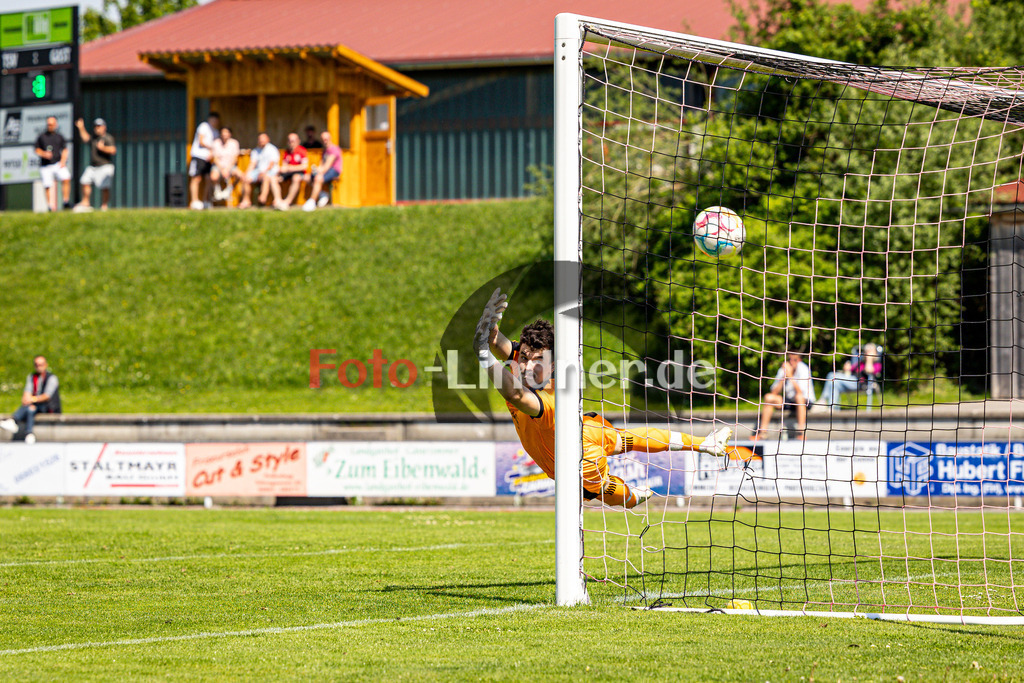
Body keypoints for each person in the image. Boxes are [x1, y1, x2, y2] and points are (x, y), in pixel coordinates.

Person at [474, 288, 733, 508]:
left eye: (539, 361)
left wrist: (483, 353)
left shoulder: (546, 401)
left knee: (603, 487)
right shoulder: (526, 367)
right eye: (526, 357)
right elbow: (503, 346)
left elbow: (516, 393)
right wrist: (489, 327)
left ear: (552, 366)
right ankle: (704, 444)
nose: (529, 366)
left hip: (577, 457)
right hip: (583, 428)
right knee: (626, 439)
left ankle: (633, 495)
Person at [752, 349, 816, 441]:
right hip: (790, 401)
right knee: (769, 398)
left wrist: (790, 376)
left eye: (794, 360)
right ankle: (763, 432)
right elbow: (774, 392)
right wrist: (783, 378)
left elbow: (800, 392)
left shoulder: (803, 369)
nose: (791, 362)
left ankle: (801, 432)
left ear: (799, 360)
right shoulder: (784, 370)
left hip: (804, 401)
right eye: (789, 359)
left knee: (799, 397)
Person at [0, 356, 61, 444]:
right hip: (34, 406)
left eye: (41, 364)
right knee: (30, 409)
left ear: (46, 365)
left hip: (48, 406)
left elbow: (47, 396)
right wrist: (26, 399)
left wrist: (32, 399)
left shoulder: (52, 378)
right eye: (36, 365)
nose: (39, 367)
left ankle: (14, 420)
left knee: (31, 407)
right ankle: (29, 433)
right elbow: (27, 391)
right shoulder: (32, 377)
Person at [818, 343, 882, 409]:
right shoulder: (860, 363)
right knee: (834, 384)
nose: (867, 353)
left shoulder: (877, 364)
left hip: (861, 384)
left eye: (870, 351)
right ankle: (832, 409)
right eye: (866, 351)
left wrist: (869, 359)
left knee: (831, 375)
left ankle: (823, 400)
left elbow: (869, 370)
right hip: (851, 381)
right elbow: (850, 369)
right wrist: (846, 368)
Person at [73, 117, 116, 212]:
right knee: (84, 181)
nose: (97, 128)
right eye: (96, 127)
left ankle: (104, 206)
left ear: (104, 127)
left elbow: (113, 150)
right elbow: (85, 138)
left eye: (99, 126)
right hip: (93, 166)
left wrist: (103, 148)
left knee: (105, 187)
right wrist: (81, 127)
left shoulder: (108, 138)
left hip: (105, 165)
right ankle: (85, 203)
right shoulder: (94, 138)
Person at [34, 116, 71, 212]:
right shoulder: (42, 137)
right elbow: (37, 149)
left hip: (57, 163)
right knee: (47, 185)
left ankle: (65, 202)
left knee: (66, 177)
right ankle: (50, 206)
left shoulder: (59, 136)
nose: (50, 126)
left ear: (56, 125)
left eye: (52, 124)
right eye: (48, 124)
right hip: (46, 165)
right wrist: (44, 154)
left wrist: (63, 161)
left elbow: (65, 149)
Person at [238, 132, 280, 209]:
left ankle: (262, 198)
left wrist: (263, 172)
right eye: (260, 140)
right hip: (259, 171)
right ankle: (246, 200)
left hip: (271, 171)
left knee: (266, 177)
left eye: (263, 139)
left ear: (268, 139)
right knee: (246, 178)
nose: (262, 141)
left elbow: (271, 164)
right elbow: (252, 164)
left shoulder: (272, 149)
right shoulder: (255, 151)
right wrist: (246, 174)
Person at [303, 130, 342, 211]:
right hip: (325, 170)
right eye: (323, 139)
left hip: (334, 171)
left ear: (330, 139)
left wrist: (319, 172)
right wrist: (316, 170)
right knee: (307, 177)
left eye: (326, 139)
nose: (325, 141)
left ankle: (312, 201)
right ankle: (322, 194)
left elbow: (327, 166)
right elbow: (322, 164)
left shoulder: (334, 149)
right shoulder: (325, 151)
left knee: (318, 178)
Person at [188, 111, 219, 210]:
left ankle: (205, 201)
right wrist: (212, 147)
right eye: (212, 120)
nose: (214, 122)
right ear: (209, 119)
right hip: (198, 156)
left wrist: (212, 152)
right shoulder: (203, 126)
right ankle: (194, 201)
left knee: (208, 179)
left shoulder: (216, 132)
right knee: (196, 178)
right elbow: (201, 141)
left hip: (208, 159)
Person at [274, 132, 310, 210]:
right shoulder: (287, 152)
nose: (291, 143)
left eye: (293, 141)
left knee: (296, 178)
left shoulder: (302, 151)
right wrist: (281, 169)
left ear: (298, 141)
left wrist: (290, 168)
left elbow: (304, 166)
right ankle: (278, 200)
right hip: (288, 173)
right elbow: (284, 165)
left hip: (299, 173)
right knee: (274, 179)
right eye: (289, 141)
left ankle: (287, 201)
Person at [210, 126, 242, 204]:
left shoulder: (234, 143)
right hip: (218, 166)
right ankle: (217, 191)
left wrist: (227, 169)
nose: (225, 134)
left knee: (241, 176)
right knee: (213, 177)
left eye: (226, 132)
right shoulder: (216, 142)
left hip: (230, 166)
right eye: (223, 132)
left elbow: (235, 158)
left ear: (230, 134)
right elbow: (215, 158)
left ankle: (228, 190)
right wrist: (222, 169)